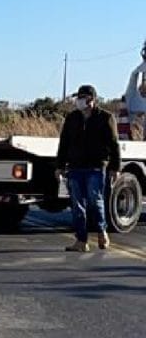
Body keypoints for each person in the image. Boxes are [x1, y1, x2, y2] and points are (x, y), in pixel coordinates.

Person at [55, 84, 120, 252]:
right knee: (77, 204)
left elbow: (114, 144)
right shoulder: (72, 118)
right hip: (75, 167)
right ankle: (81, 240)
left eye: (83, 98)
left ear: (92, 99)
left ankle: (101, 231)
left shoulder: (105, 117)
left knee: (95, 201)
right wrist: (60, 166)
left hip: (96, 167)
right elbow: (64, 143)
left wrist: (115, 167)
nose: (79, 101)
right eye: (79, 97)